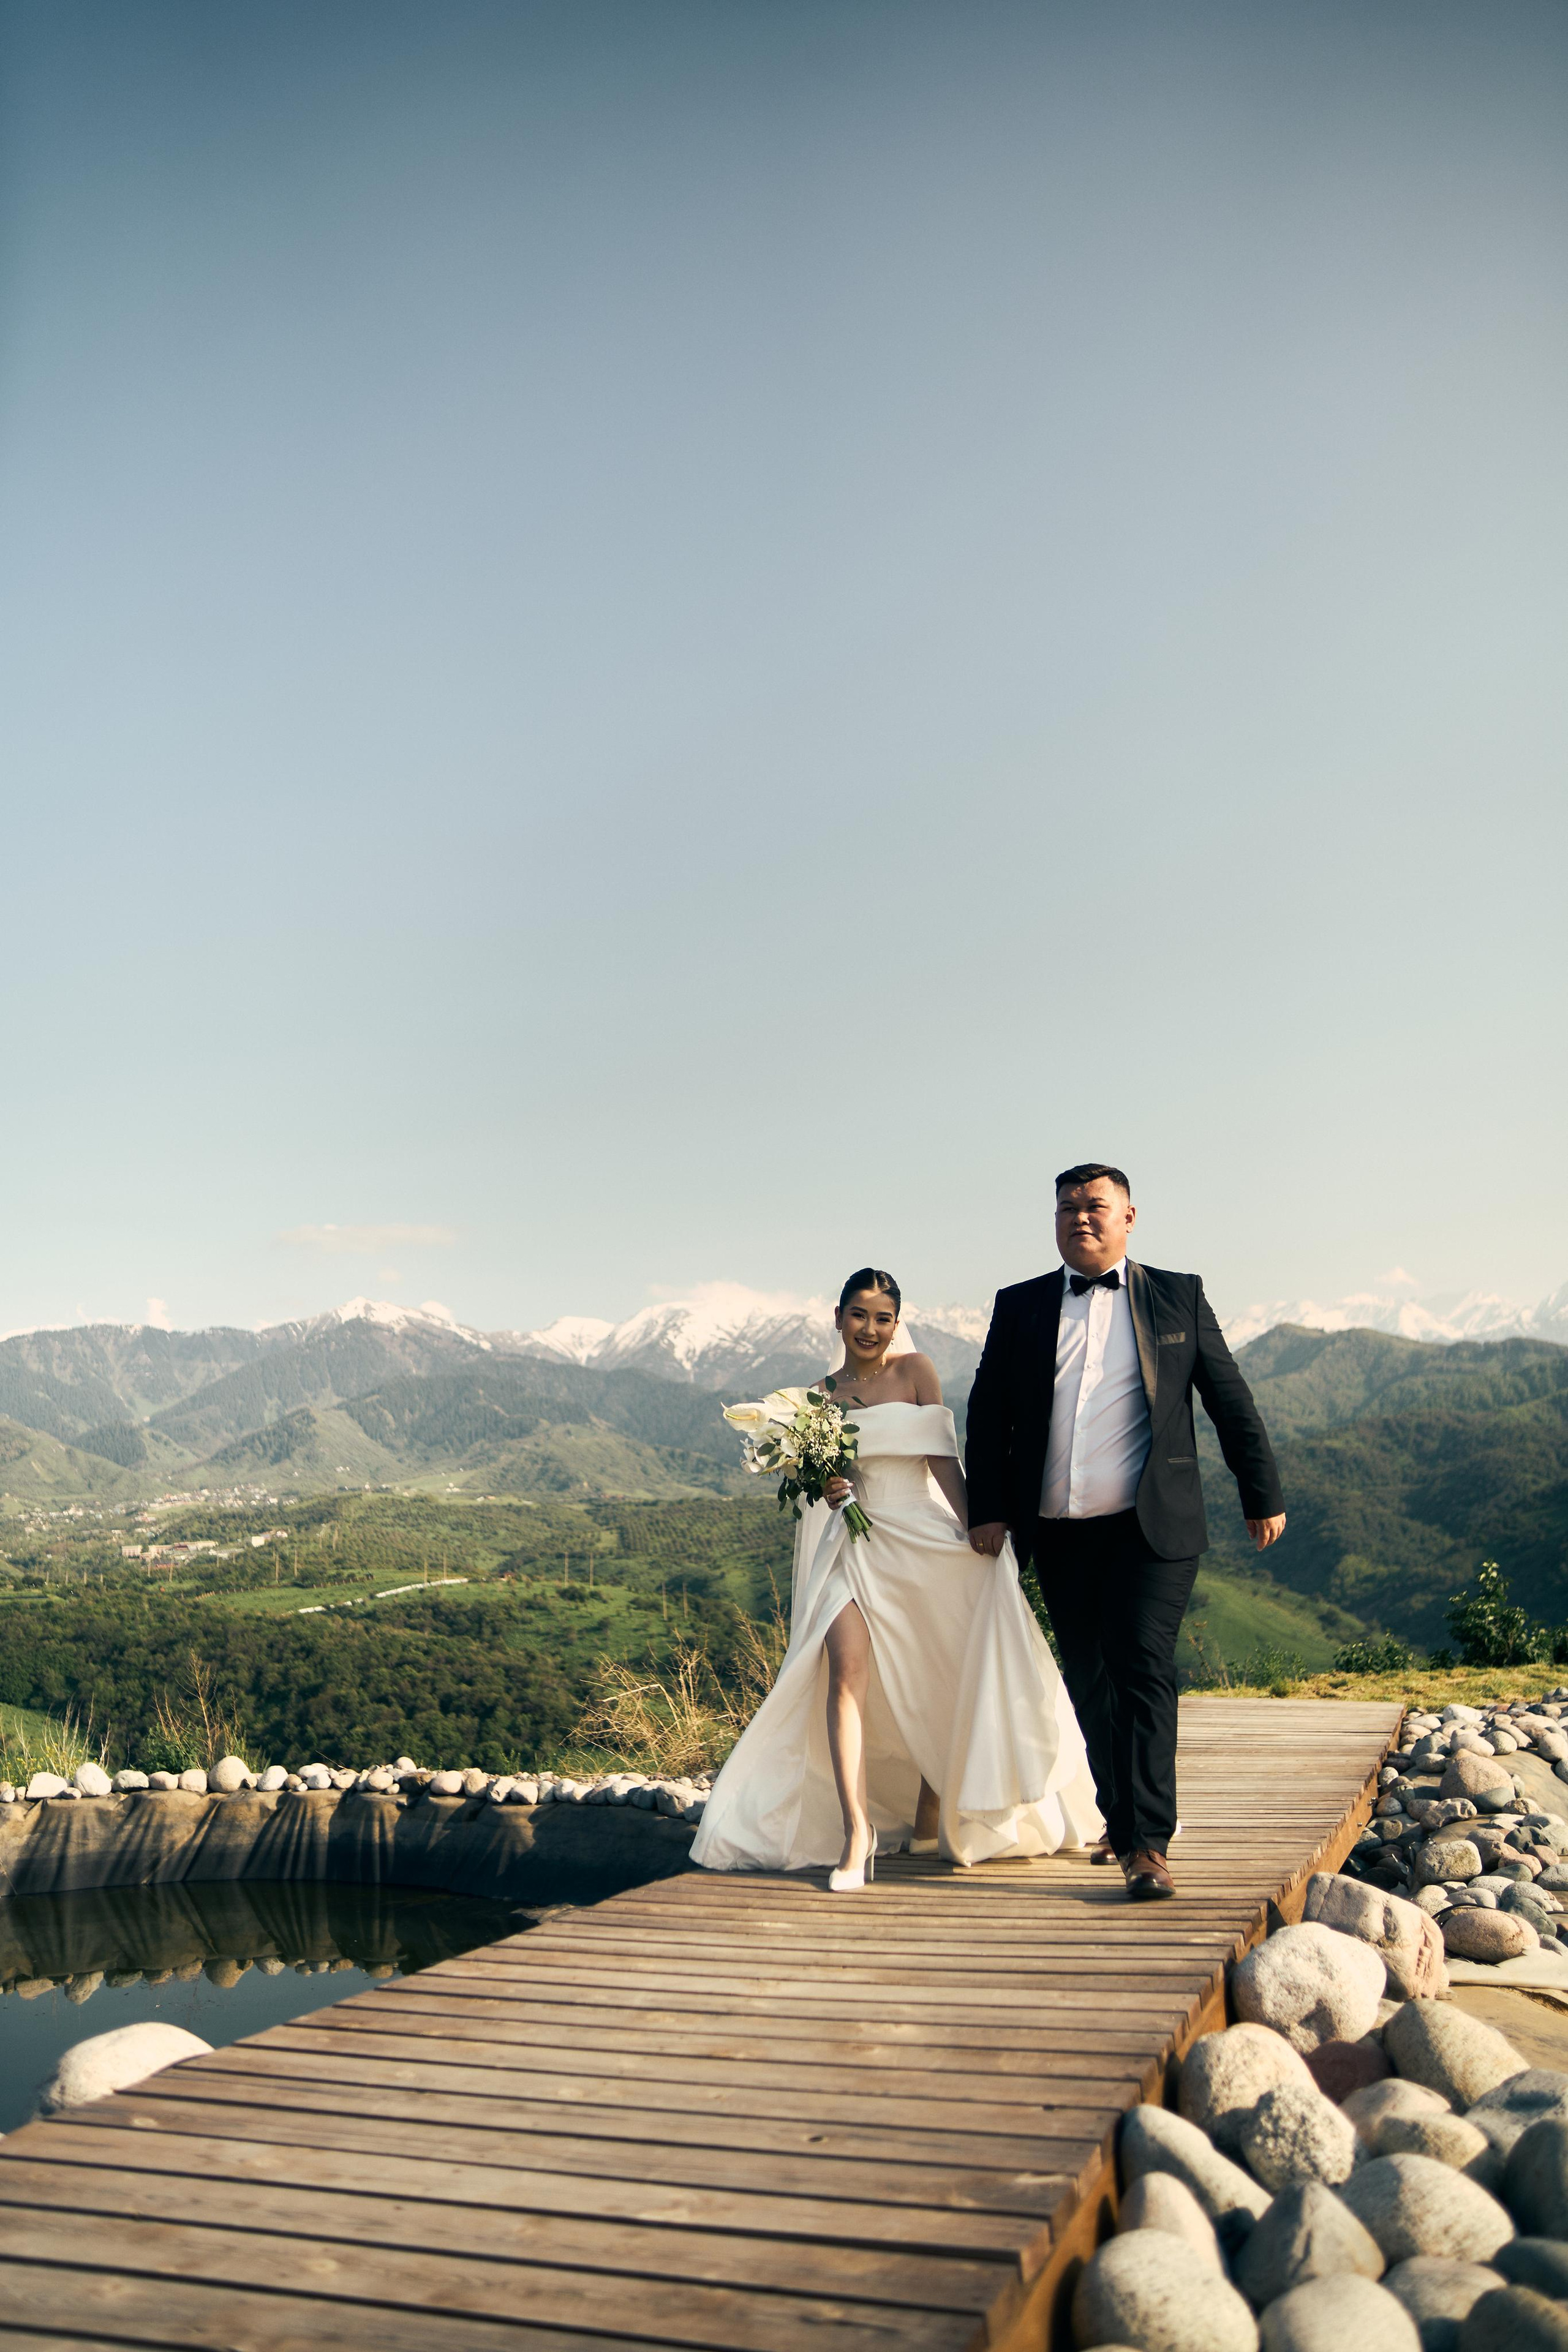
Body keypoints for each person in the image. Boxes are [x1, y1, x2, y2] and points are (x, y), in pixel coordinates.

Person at [690, 1267, 1100, 1886]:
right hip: (850, 1548)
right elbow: (808, 1487)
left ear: (895, 1324)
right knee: (845, 1674)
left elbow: (942, 1462)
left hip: (919, 1536)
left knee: (944, 1665)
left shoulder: (917, 1373)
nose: (871, 1328)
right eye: (859, 1315)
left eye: (883, 1318)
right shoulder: (816, 1397)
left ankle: (934, 1800)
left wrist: (977, 1530)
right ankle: (858, 1835)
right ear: (838, 1318)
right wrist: (824, 1489)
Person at [965, 1164, 1286, 1902]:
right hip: (1058, 1527)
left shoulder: (1178, 1294)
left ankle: (1148, 1845)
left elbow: (1227, 1398)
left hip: (1152, 1527)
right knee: (1090, 1679)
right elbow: (988, 1415)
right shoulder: (1019, 1306)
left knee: (1143, 1668)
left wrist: (1259, 1490)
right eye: (1067, 1207)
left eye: (1095, 1206)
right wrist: (988, 1509)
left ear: (1130, 1216)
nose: (1080, 1217)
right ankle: (1120, 1817)